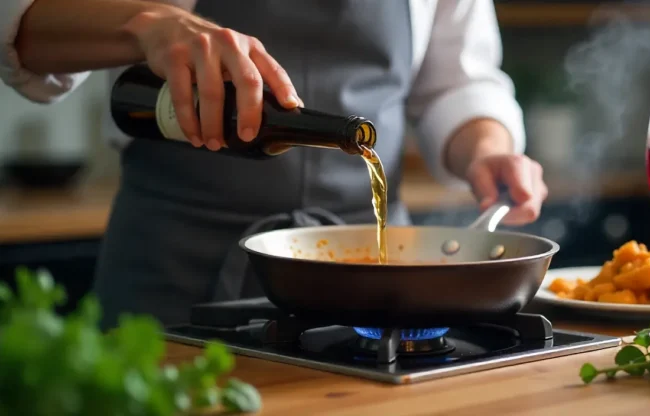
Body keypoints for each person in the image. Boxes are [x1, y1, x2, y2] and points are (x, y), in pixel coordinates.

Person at [0, 0, 549, 329]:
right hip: (174, 276)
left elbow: (458, 81)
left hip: (374, 287)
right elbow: (19, 22)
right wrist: (148, 22)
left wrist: (487, 148)